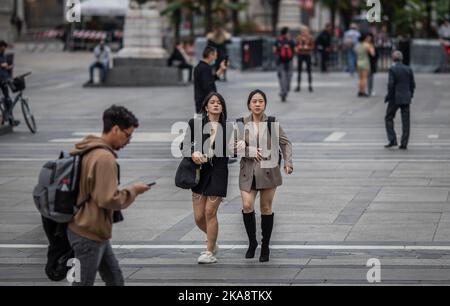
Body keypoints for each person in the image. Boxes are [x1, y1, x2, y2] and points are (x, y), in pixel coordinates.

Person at [67, 105, 151, 286]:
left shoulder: (89, 148)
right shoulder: (104, 158)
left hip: (94, 231)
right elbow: (107, 199)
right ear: (115, 130)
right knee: (83, 283)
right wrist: (134, 190)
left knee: (115, 280)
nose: (128, 141)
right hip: (89, 233)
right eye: (127, 135)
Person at [233, 89, 293, 262]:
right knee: (247, 205)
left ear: (265, 104)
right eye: (254, 101)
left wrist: (288, 162)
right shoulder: (240, 123)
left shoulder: (272, 123)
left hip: (269, 171)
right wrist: (247, 150)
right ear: (249, 105)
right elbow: (230, 147)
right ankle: (252, 242)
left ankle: (265, 245)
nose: (257, 104)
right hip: (247, 172)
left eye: (260, 101)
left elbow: (285, 143)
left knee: (266, 208)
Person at [181, 92, 232, 264]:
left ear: (222, 107)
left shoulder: (229, 127)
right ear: (206, 107)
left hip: (218, 172)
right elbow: (184, 145)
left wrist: (240, 145)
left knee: (210, 212)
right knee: (198, 217)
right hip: (199, 172)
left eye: (219, 102)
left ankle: (209, 251)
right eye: (212, 102)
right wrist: (193, 154)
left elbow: (233, 151)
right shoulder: (195, 124)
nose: (216, 105)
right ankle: (213, 241)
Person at [384, 51, 416, 150]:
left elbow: (391, 84)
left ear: (393, 59)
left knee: (389, 117)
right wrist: (410, 95)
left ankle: (392, 139)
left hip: (395, 98)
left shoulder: (392, 69)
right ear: (401, 59)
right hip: (406, 97)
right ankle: (404, 143)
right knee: (406, 121)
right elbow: (412, 84)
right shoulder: (408, 69)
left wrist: (388, 96)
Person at [193, 46, 228, 114]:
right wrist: (215, 99)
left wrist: (221, 69)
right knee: (205, 123)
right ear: (210, 55)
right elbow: (208, 86)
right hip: (205, 102)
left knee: (200, 122)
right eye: (215, 55)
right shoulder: (205, 68)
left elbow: (211, 79)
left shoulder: (199, 66)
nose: (216, 58)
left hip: (201, 101)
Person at [273, 27, 296, 102]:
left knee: (282, 78)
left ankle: (283, 92)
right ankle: (286, 90)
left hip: (280, 61)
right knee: (289, 76)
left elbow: (274, 51)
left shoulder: (278, 40)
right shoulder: (291, 41)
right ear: (286, 33)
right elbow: (295, 51)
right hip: (289, 61)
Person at [0, 40, 19, 127]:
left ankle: (11, 119)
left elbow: (5, 66)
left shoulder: (3, 55)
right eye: (3, 48)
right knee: (6, 99)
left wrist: (8, 66)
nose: (4, 50)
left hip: (4, 79)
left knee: (8, 99)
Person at [295, 26, 314, 93]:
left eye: (305, 31)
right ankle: (298, 86)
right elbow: (296, 46)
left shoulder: (310, 37)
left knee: (309, 71)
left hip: (307, 54)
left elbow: (312, 46)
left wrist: (308, 47)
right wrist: (297, 48)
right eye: (303, 31)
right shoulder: (298, 37)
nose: (304, 32)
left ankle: (310, 85)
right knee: (299, 71)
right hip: (300, 54)